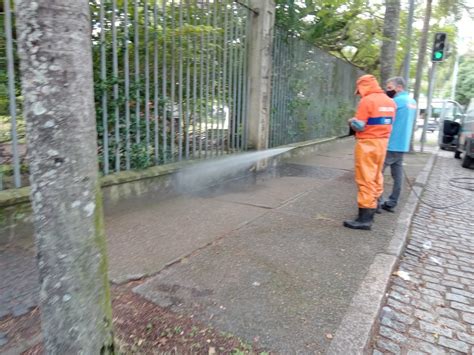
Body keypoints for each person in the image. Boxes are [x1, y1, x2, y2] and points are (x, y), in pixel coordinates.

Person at [344, 74, 396, 230]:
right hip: (382, 143)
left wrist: (352, 121)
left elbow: (360, 126)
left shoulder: (367, 101)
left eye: (359, 90)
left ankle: (365, 219)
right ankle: (376, 203)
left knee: (365, 178)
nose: (359, 94)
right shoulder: (390, 101)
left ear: (363, 86)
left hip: (367, 143)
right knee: (376, 175)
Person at [379, 76, 417, 212]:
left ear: (399, 87)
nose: (387, 90)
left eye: (390, 88)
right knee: (397, 175)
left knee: (377, 173)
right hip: (402, 145)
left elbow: (385, 121)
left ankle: (376, 201)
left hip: (390, 143)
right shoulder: (412, 101)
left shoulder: (395, 102)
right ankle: (392, 202)